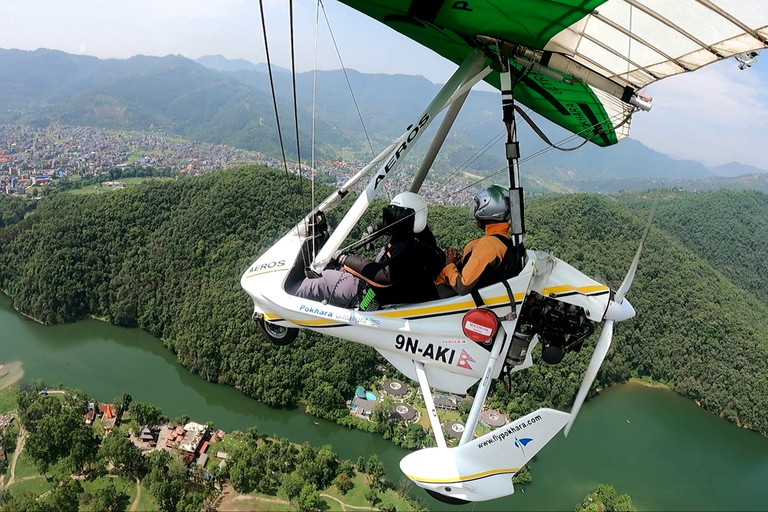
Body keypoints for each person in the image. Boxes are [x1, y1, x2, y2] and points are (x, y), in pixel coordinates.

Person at [289, 192, 444, 309]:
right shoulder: (420, 238)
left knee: (324, 281)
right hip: (389, 291)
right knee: (335, 270)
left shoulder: (411, 251)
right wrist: (374, 229)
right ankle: (326, 262)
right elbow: (395, 227)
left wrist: (343, 258)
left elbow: (383, 276)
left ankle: (291, 290)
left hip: (371, 298)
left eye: (395, 216)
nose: (390, 220)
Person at [434, 185, 523, 298]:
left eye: (477, 206)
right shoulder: (503, 240)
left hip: (442, 291)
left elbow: (462, 286)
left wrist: (449, 265)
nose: (475, 209)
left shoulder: (488, 245)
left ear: (487, 210)